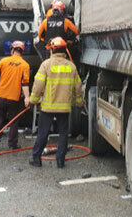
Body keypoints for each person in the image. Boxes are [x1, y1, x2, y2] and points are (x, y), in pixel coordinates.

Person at [27, 37, 83, 168]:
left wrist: (32, 101)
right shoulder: (71, 66)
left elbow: (38, 85)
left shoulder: (46, 65)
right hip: (64, 108)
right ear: (64, 51)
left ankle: (36, 158)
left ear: (52, 50)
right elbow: (78, 86)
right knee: (63, 134)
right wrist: (79, 102)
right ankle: (60, 161)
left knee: (43, 133)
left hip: (48, 107)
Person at [0, 40, 30, 150]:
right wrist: (27, 97)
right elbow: (25, 83)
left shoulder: (3, 61)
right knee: (14, 121)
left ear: (12, 50)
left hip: (1, 96)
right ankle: (12, 144)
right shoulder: (25, 65)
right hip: (14, 98)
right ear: (22, 52)